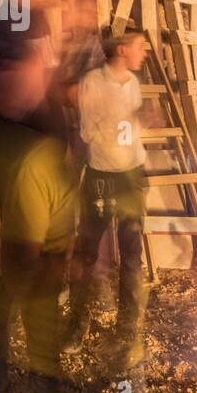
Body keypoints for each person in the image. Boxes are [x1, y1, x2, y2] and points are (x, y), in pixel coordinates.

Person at [0, 16, 105, 393]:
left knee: (47, 285)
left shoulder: (44, 21)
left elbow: (49, 87)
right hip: (26, 170)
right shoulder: (11, 24)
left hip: (51, 172)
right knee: (10, 291)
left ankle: (45, 383)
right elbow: (7, 93)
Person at [64, 29, 149, 366]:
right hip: (100, 177)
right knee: (86, 254)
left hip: (132, 176)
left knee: (132, 256)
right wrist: (123, 122)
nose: (144, 53)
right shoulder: (92, 82)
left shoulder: (133, 84)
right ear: (122, 50)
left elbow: (130, 131)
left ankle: (128, 330)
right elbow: (88, 131)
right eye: (140, 47)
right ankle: (77, 325)